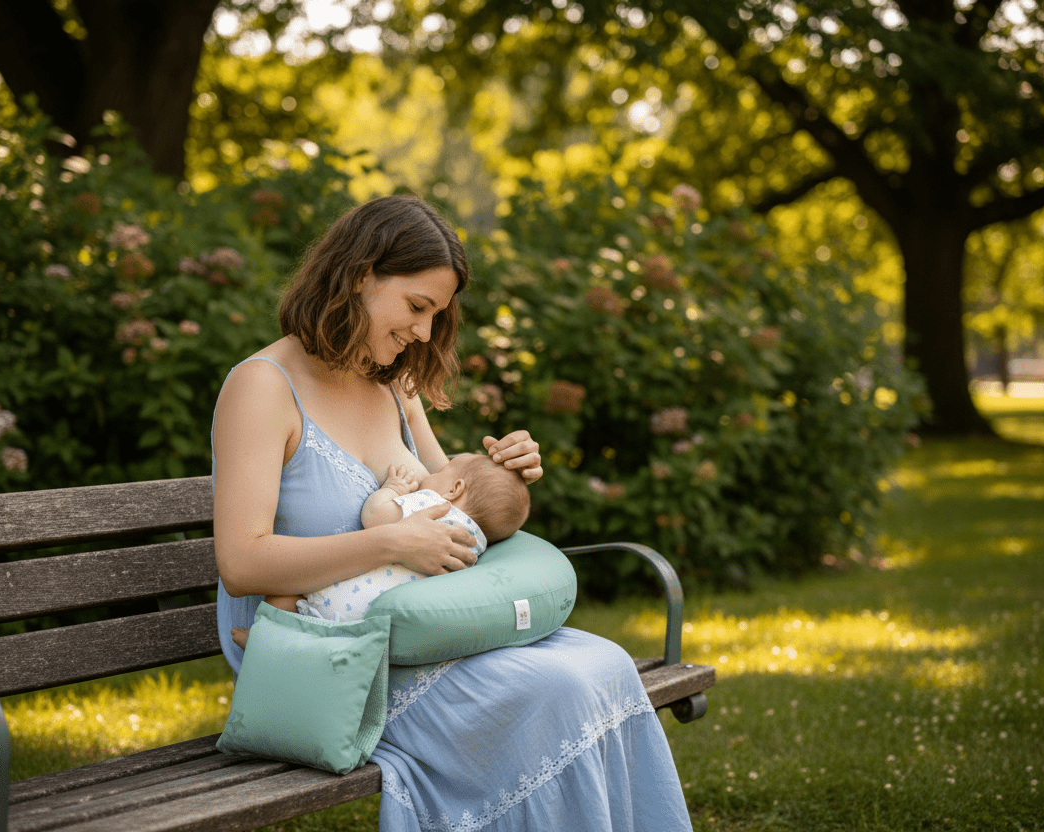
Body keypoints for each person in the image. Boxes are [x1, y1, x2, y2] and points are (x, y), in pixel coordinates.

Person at [212, 194, 691, 830]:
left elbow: (449, 500)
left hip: (418, 629)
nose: (424, 333)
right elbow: (241, 563)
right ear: (359, 276)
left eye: (436, 315)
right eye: (417, 307)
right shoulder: (262, 387)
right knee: (558, 691)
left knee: (603, 665)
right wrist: (391, 544)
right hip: (322, 651)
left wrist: (505, 470)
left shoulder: (393, 383)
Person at [233, 454, 530, 632]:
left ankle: (264, 640)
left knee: (282, 601)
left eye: (440, 472)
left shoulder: (433, 505)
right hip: (370, 622)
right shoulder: (474, 544)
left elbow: (375, 516)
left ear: (454, 489)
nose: (430, 476)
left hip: (336, 595)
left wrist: (393, 489)